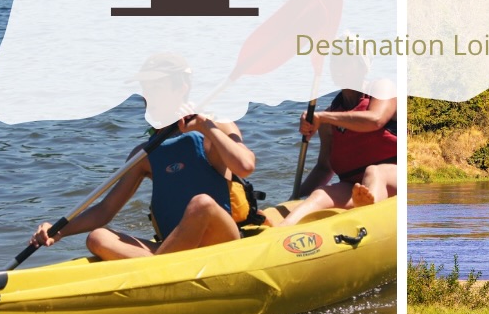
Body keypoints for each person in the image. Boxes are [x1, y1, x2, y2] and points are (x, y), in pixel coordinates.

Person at [30, 55, 255, 260]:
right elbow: (105, 210)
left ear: (181, 87)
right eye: (145, 87)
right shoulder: (146, 153)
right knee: (98, 237)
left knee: (202, 204)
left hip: (221, 241)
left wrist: (206, 127)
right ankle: (163, 264)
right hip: (172, 248)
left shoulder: (214, 127)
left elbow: (245, 166)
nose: (147, 95)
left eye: (155, 86)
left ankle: (159, 268)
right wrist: (58, 231)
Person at [279, 51, 397, 227]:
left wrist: (324, 117)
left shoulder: (382, 88)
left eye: (346, 61)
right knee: (320, 194)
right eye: (336, 61)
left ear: (362, 66)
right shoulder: (329, 116)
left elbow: (376, 119)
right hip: (355, 189)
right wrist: (295, 197)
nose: (338, 66)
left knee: (374, 172)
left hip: (395, 175)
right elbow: (324, 168)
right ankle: (280, 230)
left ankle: (367, 221)